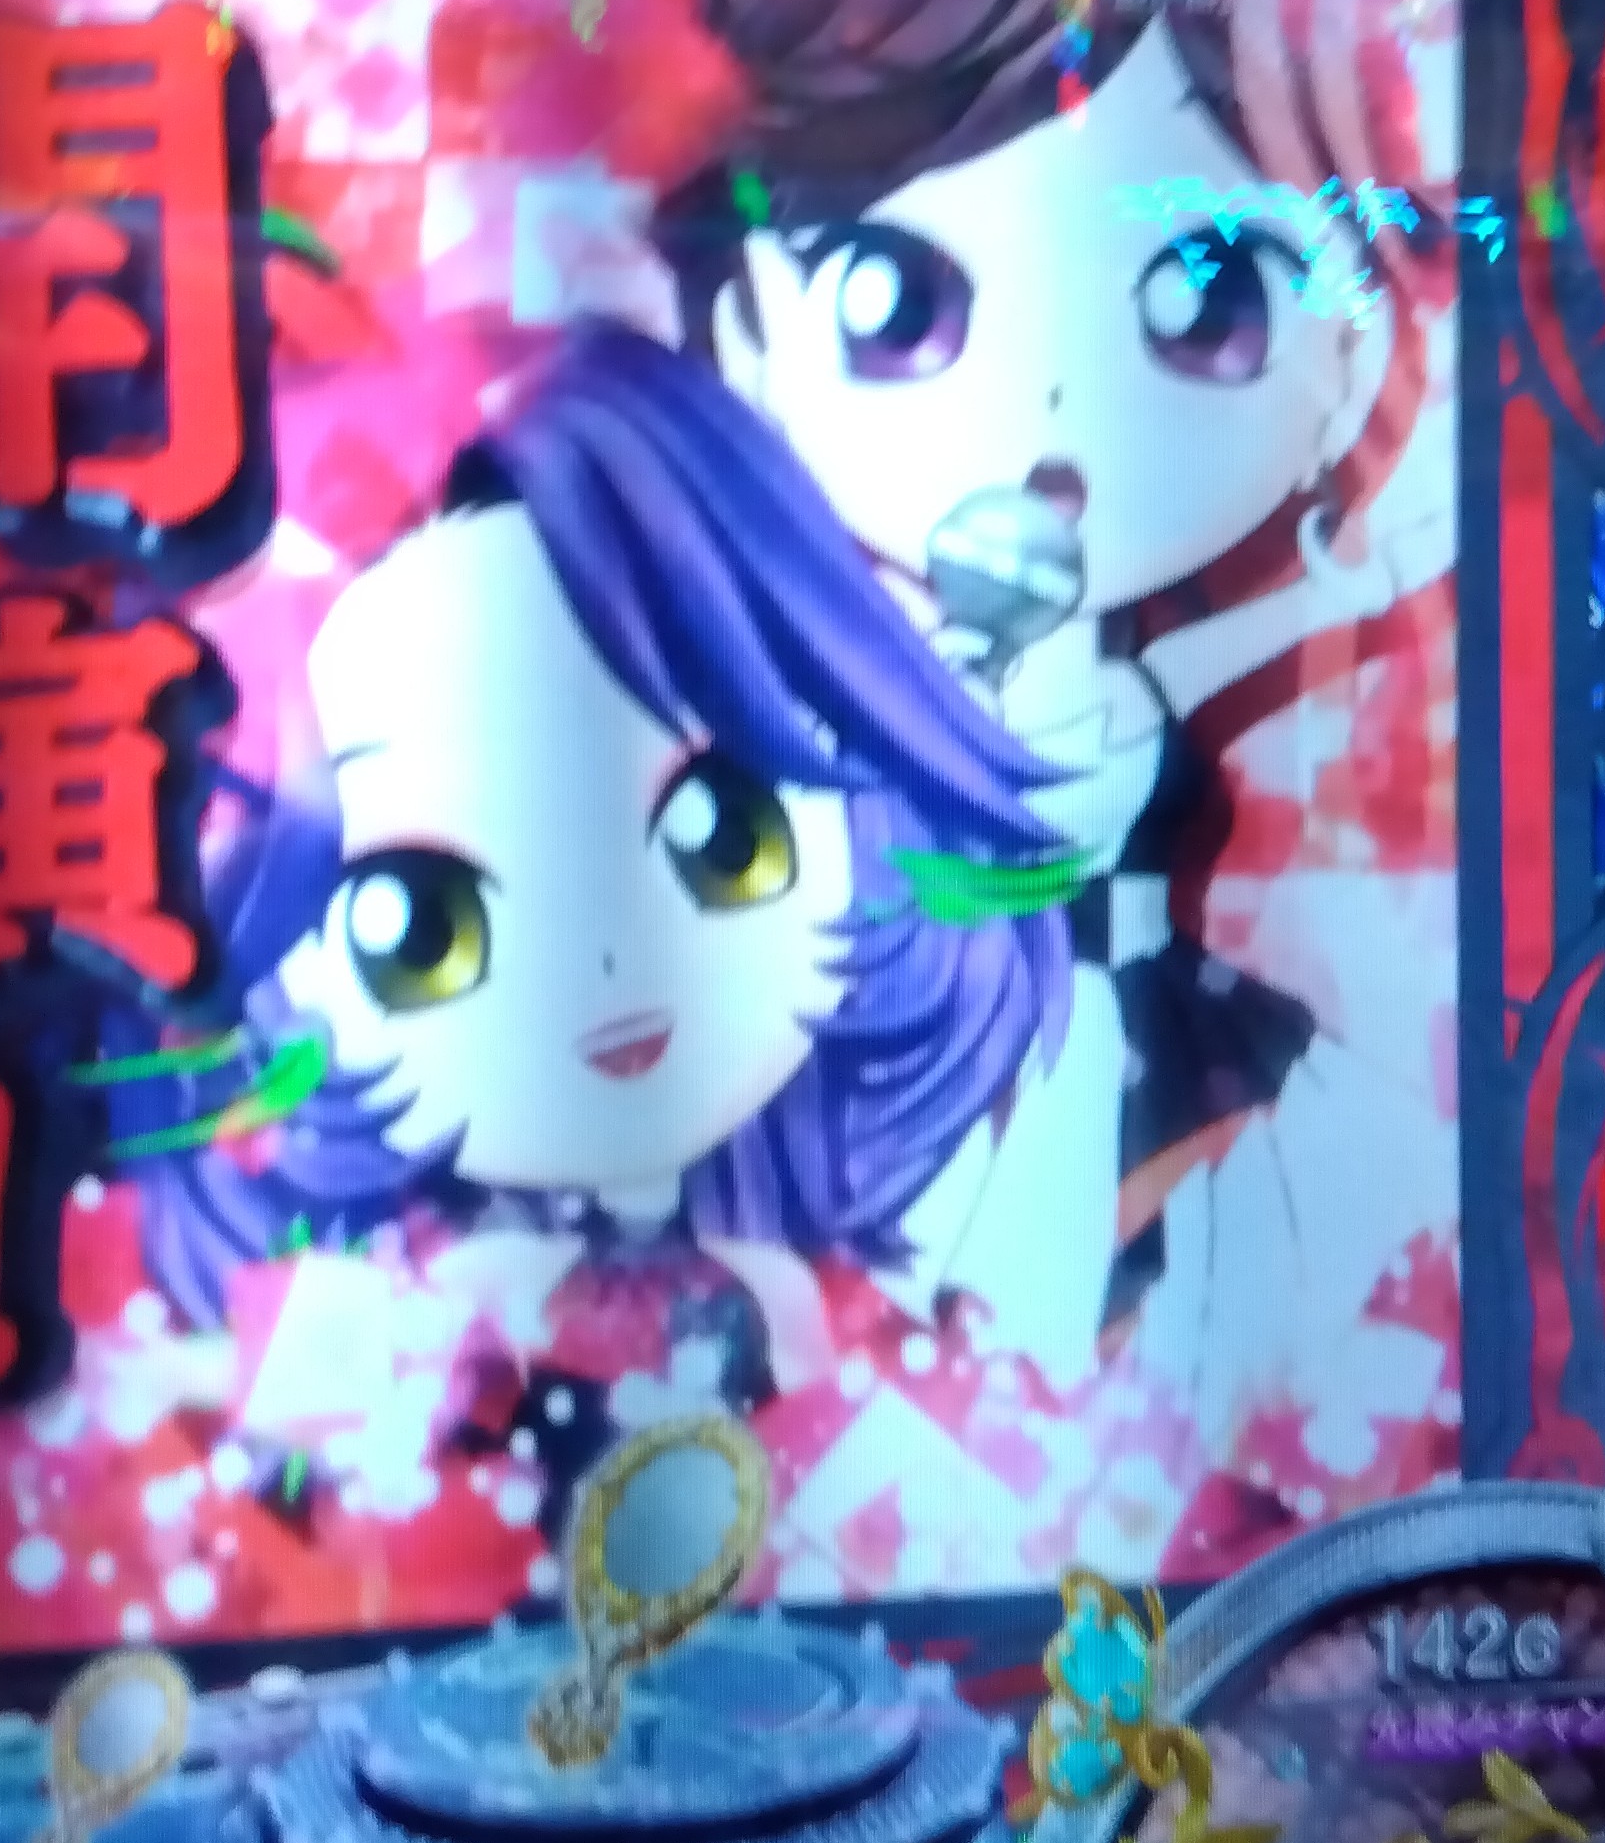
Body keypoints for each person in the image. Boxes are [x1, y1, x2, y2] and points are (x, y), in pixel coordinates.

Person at [653, 0, 1462, 1367]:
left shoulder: (1275, 1084)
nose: (1045, 418)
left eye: (1204, 304)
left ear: (1350, 352)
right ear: (751, 326)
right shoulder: (769, 723)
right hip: (851, 1103)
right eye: (895, 301)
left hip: (1136, 1108)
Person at [105, 321, 1081, 1555]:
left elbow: (951, 1544)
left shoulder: (805, 1302)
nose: (601, 967)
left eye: (726, 839)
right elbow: (282, 1535)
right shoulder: (400, 1310)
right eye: (425, 930)